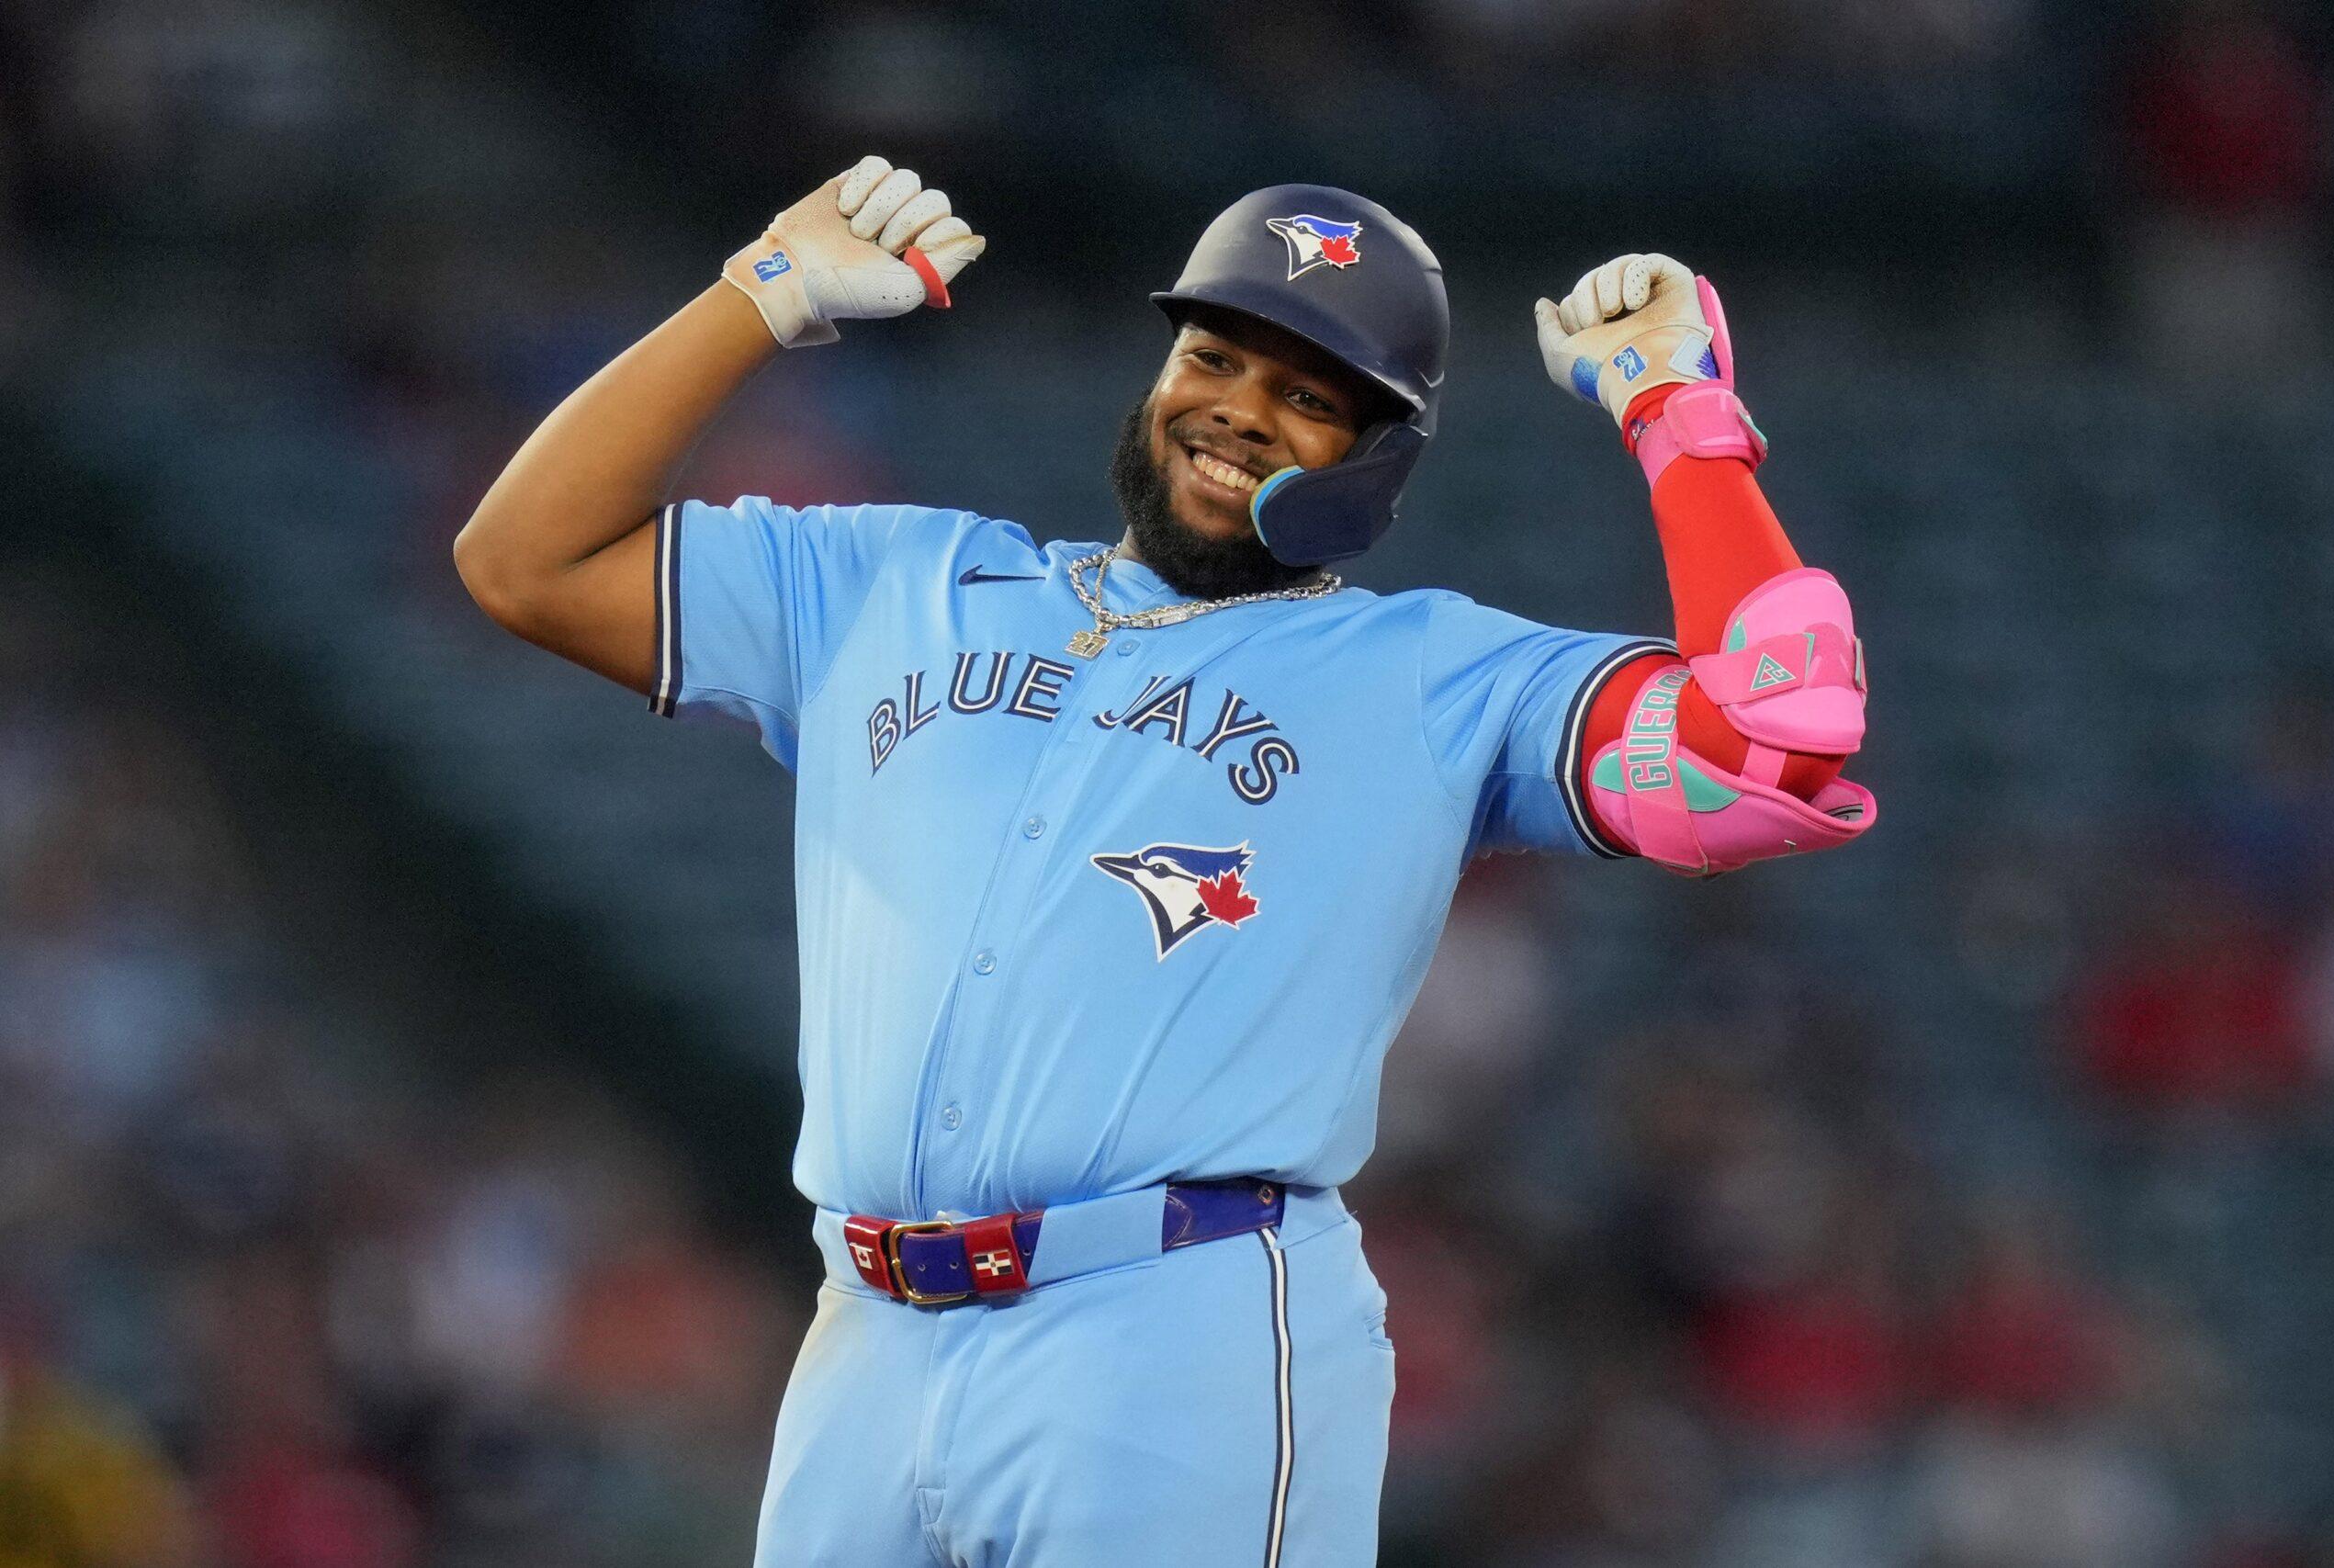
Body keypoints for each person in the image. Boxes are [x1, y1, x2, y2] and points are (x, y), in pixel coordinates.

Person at [454, 154, 1875, 1568]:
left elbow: (1775, 741)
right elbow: (524, 557)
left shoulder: (1431, 675)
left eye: (1309, 396)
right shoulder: (894, 582)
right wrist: (758, 293)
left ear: (1378, 457)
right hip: (865, 1332)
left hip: (1165, 1329)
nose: (1238, 411)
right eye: (1214, 356)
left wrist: (1676, 414)